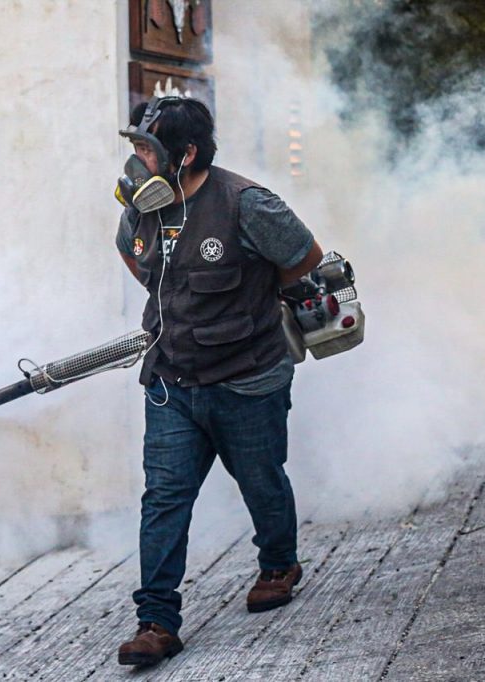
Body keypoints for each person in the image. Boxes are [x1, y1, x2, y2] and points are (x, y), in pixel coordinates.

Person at [113, 96, 323, 667]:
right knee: (164, 498)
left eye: (146, 149)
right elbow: (135, 258)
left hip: (247, 380)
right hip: (170, 382)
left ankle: (278, 564)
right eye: (135, 147)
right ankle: (156, 621)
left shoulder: (247, 204)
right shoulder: (140, 207)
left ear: (184, 154)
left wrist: (254, 302)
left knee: (260, 479)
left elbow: (304, 257)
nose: (137, 159)